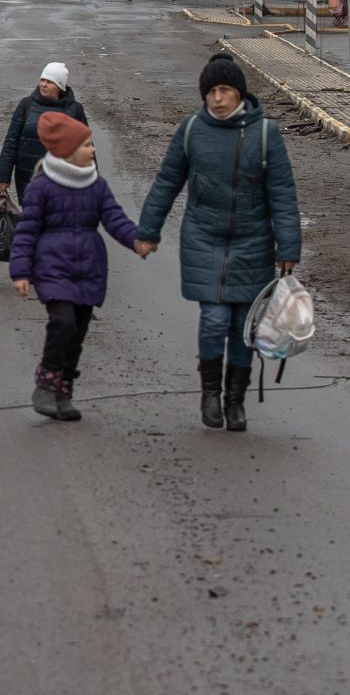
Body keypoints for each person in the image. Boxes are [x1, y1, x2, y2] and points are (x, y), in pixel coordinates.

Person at [135, 52, 301, 433]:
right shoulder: (191, 130)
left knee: (243, 327)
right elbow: (166, 183)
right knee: (214, 319)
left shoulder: (265, 135)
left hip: (254, 243)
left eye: (225, 90)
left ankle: (235, 402)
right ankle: (210, 394)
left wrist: (288, 248)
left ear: (239, 93)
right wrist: (148, 232)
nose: (218, 98)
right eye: (212, 91)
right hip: (203, 237)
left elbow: (282, 194)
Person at [10, 112, 148, 420]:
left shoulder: (95, 185)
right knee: (63, 323)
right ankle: (45, 384)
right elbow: (27, 231)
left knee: (78, 331)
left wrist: (136, 241)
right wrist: (20, 271)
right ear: (67, 151)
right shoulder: (42, 187)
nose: (93, 150)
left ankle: (63, 392)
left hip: (89, 269)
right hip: (53, 268)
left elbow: (115, 218)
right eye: (87, 145)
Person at [0, 62, 89, 202]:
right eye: (42, 80)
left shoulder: (75, 110)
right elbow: (11, 141)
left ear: (60, 86)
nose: (43, 84)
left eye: (49, 82)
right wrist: (3, 177)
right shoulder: (26, 105)